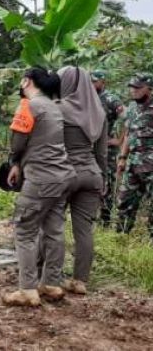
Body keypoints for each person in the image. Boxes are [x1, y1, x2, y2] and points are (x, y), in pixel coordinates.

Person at [2, 68, 74, 307]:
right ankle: (51, 283)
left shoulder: (28, 106)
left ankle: (27, 289)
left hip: (41, 178)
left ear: (27, 81)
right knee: (54, 230)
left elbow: (18, 142)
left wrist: (14, 163)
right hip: (63, 176)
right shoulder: (55, 106)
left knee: (25, 231)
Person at [56, 66, 107, 295]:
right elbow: (102, 153)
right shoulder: (99, 112)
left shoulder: (57, 109)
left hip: (63, 173)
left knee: (53, 225)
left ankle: (50, 276)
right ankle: (80, 281)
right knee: (83, 230)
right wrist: (103, 177)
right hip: (91, 174)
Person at [116, 74, 153, 239]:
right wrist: (123, 158)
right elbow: (129, 134)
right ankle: (121, 238)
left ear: (149, 88)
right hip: (133, 166)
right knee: (124, 203)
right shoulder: (131, 108)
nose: (133, 91)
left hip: (150, 167)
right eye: (132, 87)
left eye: (138, 88)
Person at [91, 70, 124, 227]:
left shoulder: (111, 99)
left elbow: (127, 118)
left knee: (106, 185)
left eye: (94, 81)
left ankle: (105, 222)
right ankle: (90, 218)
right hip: (87, 150)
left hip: (106, 151)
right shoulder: (87, 98)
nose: (92, 84)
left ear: (103, 82)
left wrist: (118, 140)